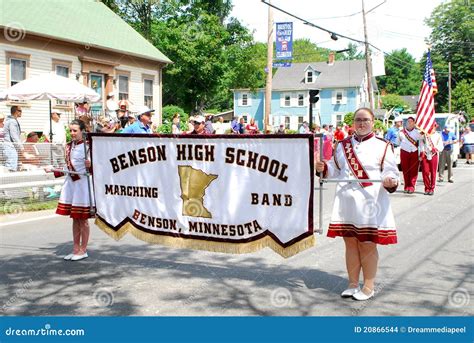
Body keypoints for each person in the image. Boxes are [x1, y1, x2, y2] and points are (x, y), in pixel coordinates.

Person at [315, 107, 399, 301]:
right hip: (346, 201)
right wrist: (323, 167)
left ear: (372, 122)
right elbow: (335, 171)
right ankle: (353, 284)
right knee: (350, 243)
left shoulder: (383, 145)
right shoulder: (342, 145)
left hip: (371, 202)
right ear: (353, 123)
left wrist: (390, 180)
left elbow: (391, 171)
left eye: (365, 120)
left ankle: (369, 286)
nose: (361, 123)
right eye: (358, 120)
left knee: (367, 244)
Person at [55, 119, 93, 261]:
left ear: (82, 131)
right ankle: (76, 248)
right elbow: (68, 167)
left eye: (75, 130)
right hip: (71, 183)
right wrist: (54, 170)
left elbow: (98, 166)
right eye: (70, 130)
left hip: (83, 185)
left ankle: (84, 250)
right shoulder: (68, 146)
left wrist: (91, 164)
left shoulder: (89, 146)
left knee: (82, 219)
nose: (72, 133)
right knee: (75, 218)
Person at [399, 116, 422, 193]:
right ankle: (406, 186)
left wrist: (421, 153)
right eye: (408, 121)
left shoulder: (417, 132)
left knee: (413, 170)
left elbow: (421, 143)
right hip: (404, 151)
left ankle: (411, 187)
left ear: (414, 123)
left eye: (411, 122)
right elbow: (398, 142)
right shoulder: (401, 132)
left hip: (414, 152)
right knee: (405, 170)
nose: (409, 123)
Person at [419, 124, 443, 195]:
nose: (433, 128)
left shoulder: (438, 135)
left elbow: (441, 146)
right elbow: (420, 142)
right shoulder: (424, 134)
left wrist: (435, 149)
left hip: (433, 154)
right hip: (425, 154)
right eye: (432, 126)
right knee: (425, 172)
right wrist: (422, 151)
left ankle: (432, 188)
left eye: (434, 126)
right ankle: (427, 188)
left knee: (433, 172)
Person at [4, 106, 23, 172]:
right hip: (10, 146)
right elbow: (14, 135)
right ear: (16, 111)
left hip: (10, 146)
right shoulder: (12, 121)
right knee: (11, 167)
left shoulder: (10, 120)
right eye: (20, 111)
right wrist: (21, 147)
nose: (21, 112)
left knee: (11, 165)